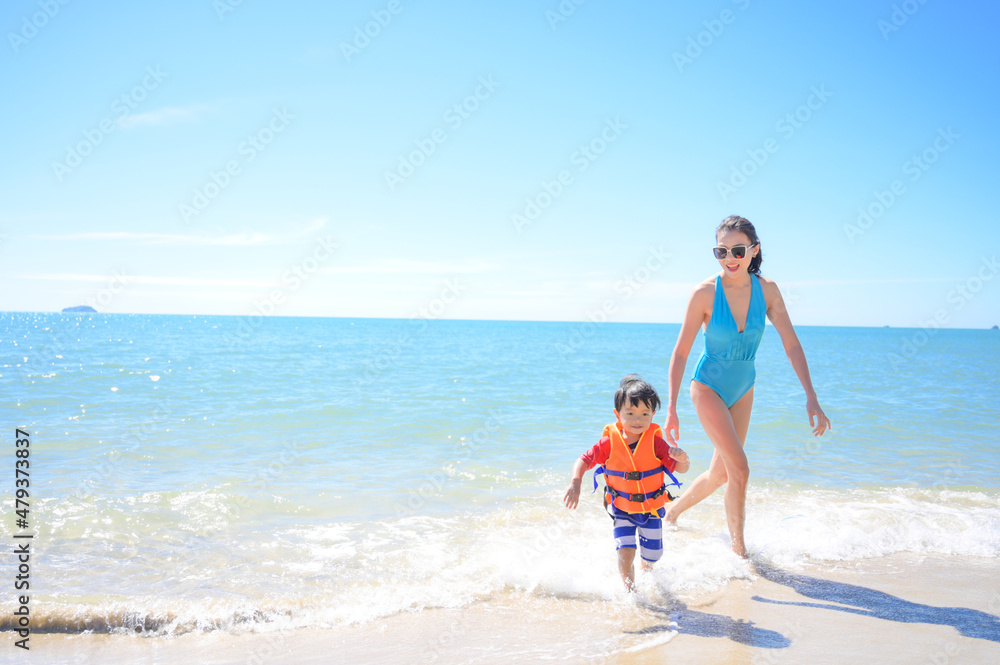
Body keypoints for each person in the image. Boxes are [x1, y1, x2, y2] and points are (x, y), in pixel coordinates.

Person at [662, 215, 832, 558]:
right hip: (707, 387)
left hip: (744, 388)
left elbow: (792, 344)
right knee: (741, 468)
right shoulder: (705, 294)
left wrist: (811, 396)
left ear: (754, 251)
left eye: (738, 250)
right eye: (721, 251)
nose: (730, 258)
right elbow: (680, 352)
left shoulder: (767, 291)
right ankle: (740, 555)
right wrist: (672, 407)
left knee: (721, 474)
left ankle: (671, 513)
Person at [564, 375, 690, 591]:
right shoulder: (608, 443)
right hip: (622, 508)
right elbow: (583, 460)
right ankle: (630, 591)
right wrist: (576, 482)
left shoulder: (656, 443)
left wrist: (683, 459)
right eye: (630, 414)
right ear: (617, 414)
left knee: (653, 555)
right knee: (625, 550)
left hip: (651, 508)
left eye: (644, 414)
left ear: (652, 414)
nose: (637, 419)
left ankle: (646, 568)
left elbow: (680, 469)